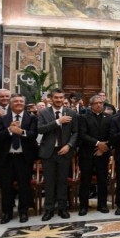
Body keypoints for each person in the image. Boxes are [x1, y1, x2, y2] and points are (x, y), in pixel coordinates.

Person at [0, 94, 38, 224]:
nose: (19, 103)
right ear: (11, 104)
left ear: (24, 103)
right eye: (16, 101)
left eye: (21, 101)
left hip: (24, 158)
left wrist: (20, 132)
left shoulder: (32, 118)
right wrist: (9, 130)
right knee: (6, 186)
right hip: (6, 158)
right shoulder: (2, 118)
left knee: (24, 185)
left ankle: (23, 212)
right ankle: (7, 213)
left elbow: (33, 134)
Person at [37, 89, 79, 221]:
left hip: (64, 151)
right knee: (49, 182)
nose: (59, 100)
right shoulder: (44, 113)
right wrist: (58, 122)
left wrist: (69, 146)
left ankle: (62, 208)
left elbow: (75, 132)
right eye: (56, 98)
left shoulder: (71, 113)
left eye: (61, 98)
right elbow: (40, 129)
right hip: (48, 152)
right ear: (51, 99)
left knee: (62, 181)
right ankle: (48, 209)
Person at [78, 95, 112, 214]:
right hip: (87, 153)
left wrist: (103, 148)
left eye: (101, 103)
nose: (99, 105)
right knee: (85, 180)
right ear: (91, 105)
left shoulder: (108, 118)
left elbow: (111, 135)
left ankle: (102, 205)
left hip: (102, 154)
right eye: (96, 103)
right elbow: (82, 134)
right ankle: (83, 206)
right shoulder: (83, 117)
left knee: (102, 180)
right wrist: (98, 143)